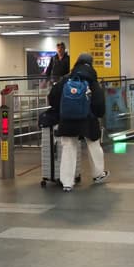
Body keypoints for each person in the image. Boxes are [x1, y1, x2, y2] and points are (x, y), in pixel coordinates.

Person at [48, 53, 108, 191]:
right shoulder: (92, 81)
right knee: (93, 145)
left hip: (67, 120)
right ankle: (98, 174)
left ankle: (67, 183)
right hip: (88, 120)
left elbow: (53, 97)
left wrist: (63, 110)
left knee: (69, 147)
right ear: (90, 64)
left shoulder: (67, 79)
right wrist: (98, 114)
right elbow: (99, 102)